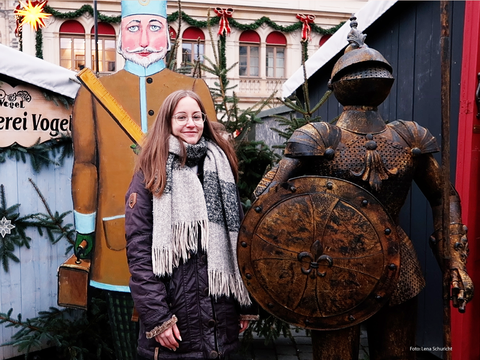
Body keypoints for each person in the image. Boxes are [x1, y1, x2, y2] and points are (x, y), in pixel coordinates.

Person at [245, 18, 472, 359]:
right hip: (330, 264)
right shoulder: (319, 137)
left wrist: (454, 261)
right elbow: (269, 203)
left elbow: (444, 196)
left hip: (398, 266)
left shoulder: (409, 137)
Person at [69, 1, 216, 358]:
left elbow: (213, 162)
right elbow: (86, 165)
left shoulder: (193, 85)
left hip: (187, 244)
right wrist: (84, 229)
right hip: (116, 240)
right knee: (127, 346)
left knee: (186, 344)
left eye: (154, 26)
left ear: (169, 33)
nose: (145, 38)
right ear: (120, 36)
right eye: (134, 28)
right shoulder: (93, 91)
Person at [125, 90, 257, 360]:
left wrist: (246, 304)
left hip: (222, 316)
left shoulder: (221, 166)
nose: (191, 124)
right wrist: (158, 317)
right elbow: (138, 252)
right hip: (176, 317)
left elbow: (241, 239)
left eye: (197, 116)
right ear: (168, 123)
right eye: (181, 117)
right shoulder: (151, 172)